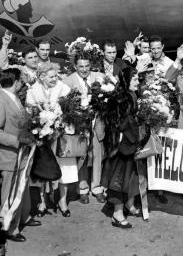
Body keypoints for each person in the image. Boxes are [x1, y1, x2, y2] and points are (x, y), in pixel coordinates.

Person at [26, 63, 74, 218]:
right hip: (43, 136)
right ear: (42, 77)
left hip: (60, 135)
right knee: (43, 167)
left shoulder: (61, 86)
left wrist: (62, 115)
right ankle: (42, 202)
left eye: (56, 75)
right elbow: (29, 113)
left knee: (64, 167)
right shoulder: (33, 90)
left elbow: (73, 103)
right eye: (52, 76)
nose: (55, 79)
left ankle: (62, 201)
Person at [101, 68, 147, 229]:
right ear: (126, 80)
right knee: (119, 180)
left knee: (132, 176)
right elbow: (116, 123)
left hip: (131, 143)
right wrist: (135, 127)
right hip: (121, 146)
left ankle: (129, 204)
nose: (137, 82)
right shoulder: (119, 99)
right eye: (134, 80)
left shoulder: (133, 95)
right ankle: (117, 214)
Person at [0, 68, 37, 244]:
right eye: (21, 81)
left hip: (21, 155)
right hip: (9, 156)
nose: (22, 84)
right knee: (9, 195)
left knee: (20, 191)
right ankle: (9, 229)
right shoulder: (1, 100)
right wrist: (17, 139)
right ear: (15, 82)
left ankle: (21, 220)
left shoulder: (14, 98)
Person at [62, 54, 106, 204]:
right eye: (81, 66)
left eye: (87, 66)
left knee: (97, 154)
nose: (85, 69)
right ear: (75, 67)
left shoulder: (99, 76)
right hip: (80, 126)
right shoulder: (67, 81)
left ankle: (97, 186)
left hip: (97, 123)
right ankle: (83, 188)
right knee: (82, 156)